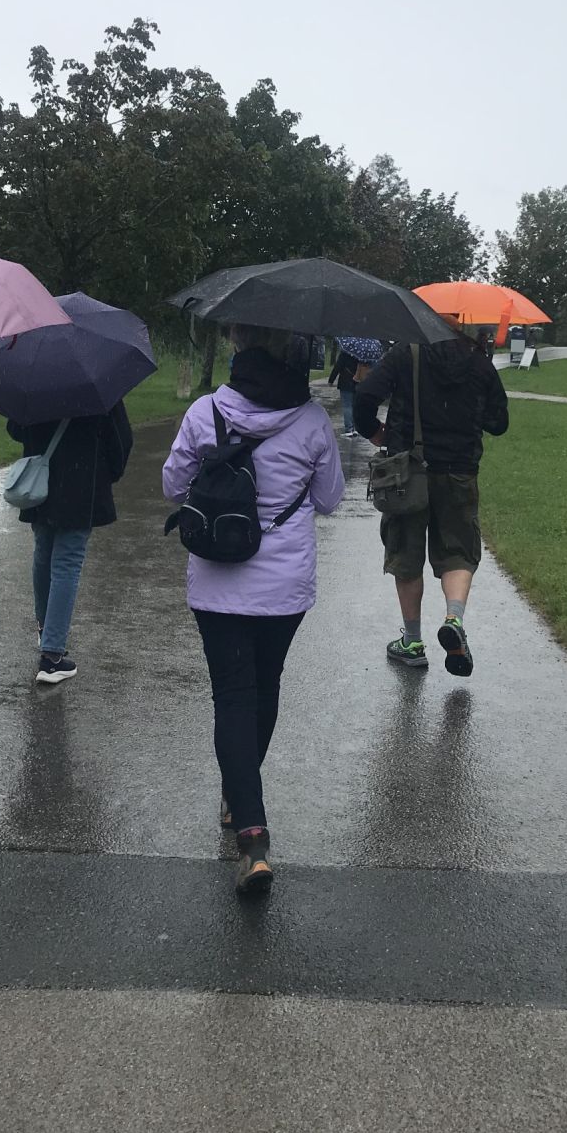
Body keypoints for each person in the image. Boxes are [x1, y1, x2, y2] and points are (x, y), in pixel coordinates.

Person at [162, 324, 345, 895]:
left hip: (218, 582)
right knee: (264, 690)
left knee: (232, 696)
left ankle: (250, 829)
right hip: (284, 586)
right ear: (295, 355)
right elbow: (330, 500)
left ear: (241, 350)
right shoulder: (312, 421)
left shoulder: (205, 412)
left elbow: (173, 486)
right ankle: (240, 798)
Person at [354, 329, 509, 678]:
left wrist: (377, 432)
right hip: (460, 473)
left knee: (405, 553)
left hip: (407, 473)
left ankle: (411, 643)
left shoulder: (405, 354)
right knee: (458, 550)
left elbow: (365, 395)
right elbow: (499, 423)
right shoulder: (478, 361)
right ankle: (453, 619)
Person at [8, 404, 133, 685]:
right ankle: (52, 656)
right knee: (66, 562)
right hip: (82, 483)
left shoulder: (35, 381)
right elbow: (121, 439)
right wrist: (107, 474)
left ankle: (46, 629)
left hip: (41, 484)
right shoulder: (98, 388)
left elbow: (15, 428)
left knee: (43, 553)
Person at [327, 348, 361, 436]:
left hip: (346, 381)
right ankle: (356, 428)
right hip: (359, 383)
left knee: (347, 406)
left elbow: (338, 366)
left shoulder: (346, 352)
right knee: (355, 406)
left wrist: (331, 380)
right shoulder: (362, 354)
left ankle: (349, 429)